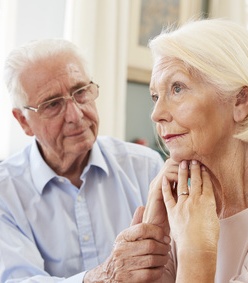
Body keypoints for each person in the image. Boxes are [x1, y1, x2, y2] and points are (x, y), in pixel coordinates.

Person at [0, 38, 170, 283]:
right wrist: (105, 276)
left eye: (80, 92)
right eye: (52, 104)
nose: (76, 115)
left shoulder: (145, 166)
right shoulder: (6, 192)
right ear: (24, 121)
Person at [142, 18, 248, 282]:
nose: (157, 114)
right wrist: (153, 236)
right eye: (155, 96)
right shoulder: (185, 206)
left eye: (177, 88)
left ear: (240, 101)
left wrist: (197, 253)